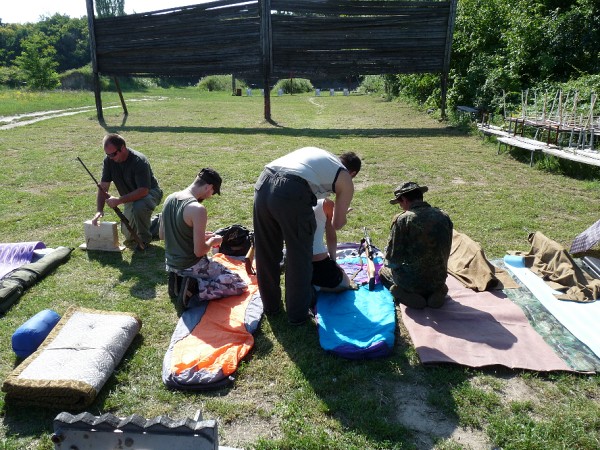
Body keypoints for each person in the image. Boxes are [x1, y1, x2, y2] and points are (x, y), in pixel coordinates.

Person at [253, 147, 361, 325]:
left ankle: (271, 307)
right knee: (299, 257)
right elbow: (337, 224)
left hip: (264, 181)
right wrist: (341, 213)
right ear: (353, 173)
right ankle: (297, 315)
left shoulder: (321, 160)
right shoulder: (345, 178)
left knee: (266, 252)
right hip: (292, 190)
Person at [159, 168, 247, 303]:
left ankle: (180, 281)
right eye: (213, 192)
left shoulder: (169, 198)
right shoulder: (197, 209)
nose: (210, 196)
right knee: (239, 284)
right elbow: (199, 251)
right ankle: (193, 288)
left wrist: (199, 236)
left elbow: (163, 234)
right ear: (209, 187)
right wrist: (213, 241)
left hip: (171, 264)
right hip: (191, 265)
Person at [379, 182, 453, 309]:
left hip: (411, 284)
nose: (401, 207)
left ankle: (405, 294)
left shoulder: (403, 220)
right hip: (437, 280)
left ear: (404, 200)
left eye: (400, 203)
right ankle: (438, 292)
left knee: (383, 272)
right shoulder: (443, 216)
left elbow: (392, 261)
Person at [91, 133, 163, 250]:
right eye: (107, 154)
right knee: (129, 235)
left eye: (113, 154)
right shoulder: (109, 161)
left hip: (150, 193)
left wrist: (118, 200)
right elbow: (103, 187)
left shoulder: (139, 161)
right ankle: (160, 221)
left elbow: (143, 191)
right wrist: (99, 210)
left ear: (123, 148)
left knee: (139, 206)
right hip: (130, 198)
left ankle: (144, 240)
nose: (110, 157)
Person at [312, 197, 354, 292]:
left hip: (295, 263)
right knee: (345, 283)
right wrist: (333, 262)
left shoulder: (287, 200)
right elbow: (331, 237)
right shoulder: (326, 204)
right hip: (316, 263)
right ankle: (315, 287)